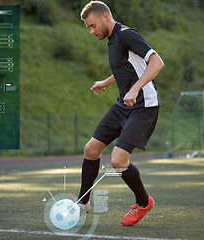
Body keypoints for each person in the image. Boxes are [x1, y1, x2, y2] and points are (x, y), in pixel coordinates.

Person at [75, 1, 164, 226]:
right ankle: (82, 202)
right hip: (123, 105)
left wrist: (135, 88)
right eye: (89, 28)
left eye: (93, 26)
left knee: (118, 160)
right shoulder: (112, 40)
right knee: (91, 149)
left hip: (144, 106)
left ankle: (143, 202)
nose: (92, 31)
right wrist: (106, 81)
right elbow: (128, 65)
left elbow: (156, 62)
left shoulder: (126, 35)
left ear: (105, 17)